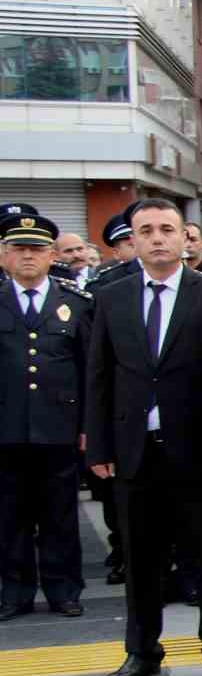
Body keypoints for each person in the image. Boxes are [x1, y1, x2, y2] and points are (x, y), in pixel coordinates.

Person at [88, 199, 202, 676]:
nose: (157, 239)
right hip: (135, 448)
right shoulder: (110, 297)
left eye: (167, 230)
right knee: (140, 555)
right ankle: (141, 649)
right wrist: (99, 447)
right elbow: (99, 376)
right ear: (132, 240)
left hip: (195, 451)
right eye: (146, 231)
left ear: (185, 238)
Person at [0, 208, 94, 621]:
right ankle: (15, 591)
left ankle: (63, 588)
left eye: (36, 250)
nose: (27, 257)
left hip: (59, 428)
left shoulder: (74, 303)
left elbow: (91, 370)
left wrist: (89, 426)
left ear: (51, 255)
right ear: (3, 255)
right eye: (18, 249)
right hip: (6, 428)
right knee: (9, 515)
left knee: (59, 514)